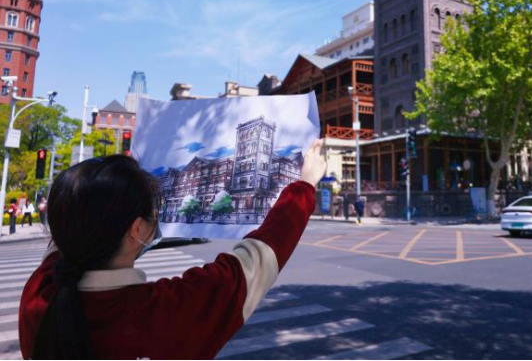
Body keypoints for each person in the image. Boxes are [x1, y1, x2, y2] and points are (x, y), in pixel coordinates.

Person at [19, 139, 327, 360]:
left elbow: (67, 228)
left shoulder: (39, 294)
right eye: (154, 214)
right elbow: (258, 257)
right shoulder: (166, 312)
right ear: (137, 230)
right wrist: (305, 184)